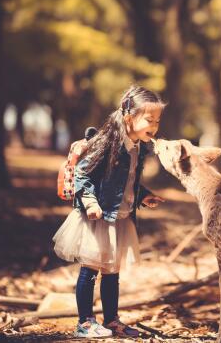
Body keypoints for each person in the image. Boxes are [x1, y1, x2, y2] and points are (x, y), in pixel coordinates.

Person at [53, 85, 165, 338]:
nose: (155, 126)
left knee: (112, 272)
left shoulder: (139, 147)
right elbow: (83, 173)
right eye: (149, 119)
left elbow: (128, 180)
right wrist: (90, 202)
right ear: (129, 117)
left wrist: (144, 196)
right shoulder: (108, 141)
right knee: (91, 268)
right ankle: (85, 322)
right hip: (98, 216)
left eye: (157, 120)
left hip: (120, 217)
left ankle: (112, 319)